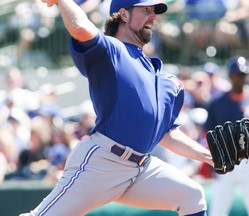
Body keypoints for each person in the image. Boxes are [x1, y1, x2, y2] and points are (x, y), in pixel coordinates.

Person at [20, 0, 214, 216]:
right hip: (102, 162)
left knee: (192, 196)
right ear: (123, 14)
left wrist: (208, 156)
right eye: (145, 10)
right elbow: (80, 28)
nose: (153, 16)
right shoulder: (112, 51)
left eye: (154, 11)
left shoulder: (163, 77)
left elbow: (167, 134)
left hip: (141, 168)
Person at [204, 56, 249, 216]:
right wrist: (211, 159)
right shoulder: (217, 103)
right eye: (236, 74)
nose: (239, 78)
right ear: (230, 76)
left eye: (242, 75)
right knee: (218, 210)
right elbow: (209, 134)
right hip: (226, 157)